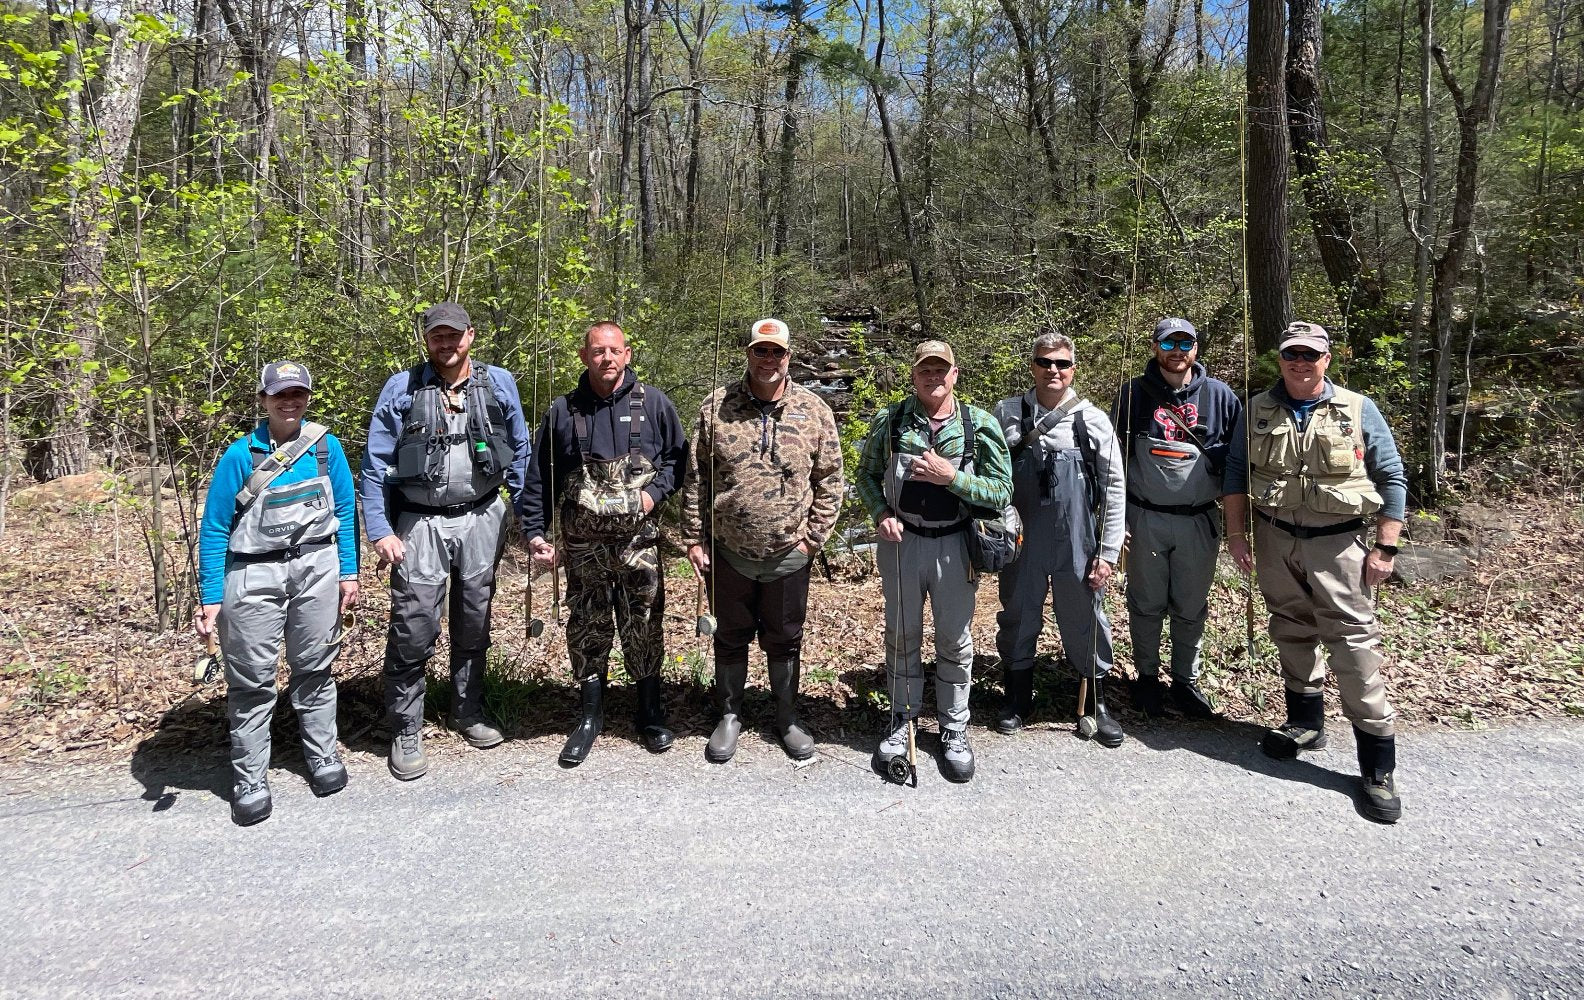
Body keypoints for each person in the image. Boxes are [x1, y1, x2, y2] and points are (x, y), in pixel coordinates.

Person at [1223, 321, 1408, 824]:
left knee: (1352, 643)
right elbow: (1235, 477)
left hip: (1340, 544)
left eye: (1310, 354)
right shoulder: (1256, 408)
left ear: (1327, 359)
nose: (1300, 363)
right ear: (1280, 359)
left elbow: (1392, 477)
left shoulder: (1357, 408)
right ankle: (1305, 724)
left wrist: (1385, 548)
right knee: (1290, 626)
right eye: (1291, 355)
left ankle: (1376, 766)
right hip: (1275, 537)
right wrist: (1237, 536)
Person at [361, 302, 530, 780]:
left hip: (482, 516)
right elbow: (374, 466)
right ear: (426, 339)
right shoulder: (401, 388)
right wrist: (379, 530)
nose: (446, 343)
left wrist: (529, 520)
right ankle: (406, 726)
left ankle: (467, 709)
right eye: (437, 335)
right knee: (414, 626)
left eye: (454, 335)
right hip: (419, 524)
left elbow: (519, 452)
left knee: (474, 619)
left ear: (470, 337)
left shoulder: (499, 384)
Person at [197, 361, 360, 825]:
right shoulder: (239, 456)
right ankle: (250, 778)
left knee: (315, 669)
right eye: (280, 395)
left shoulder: (327, 448)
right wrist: (211, 596)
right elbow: (214, 529)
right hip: (252, 576)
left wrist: (349, 572)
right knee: (252, 681)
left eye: (298, 394)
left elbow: (345, 512)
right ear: (264, 400)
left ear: (308, 397)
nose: (290, 402)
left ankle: (322, 756)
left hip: (316, 569)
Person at [519, 321, 689, 766]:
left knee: (645, 623)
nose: (606, 359)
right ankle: (589, 718)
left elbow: (678, 460)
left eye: (614, 351)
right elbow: (539, 477)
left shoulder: (653, 404)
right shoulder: (562, 410)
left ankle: (649, 712)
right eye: (597, 351)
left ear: (627, 354)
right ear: (584, 356)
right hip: (582, 549)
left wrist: (655, 494)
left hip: (639, 543)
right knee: (587, 626)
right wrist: (535, 532)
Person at [681, 318, 845, 763]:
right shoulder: (716, 406)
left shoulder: (814, 410)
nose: (768, 360)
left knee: (784, 637)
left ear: (788, 356)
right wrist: (693, 539)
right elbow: (695, 477)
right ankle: (729, 715)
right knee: (730, 637)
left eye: (777, 352)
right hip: (729, 552)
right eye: (761, 351)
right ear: (748, 353)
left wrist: (813, 540)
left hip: (790, 554)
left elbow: (830, 479)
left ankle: (787, 717)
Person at [854, 340, 1012, 783]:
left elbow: (1002, 491)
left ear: (955, 374)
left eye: (941, 369)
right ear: (914, 374)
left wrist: (953, 477)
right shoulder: (891, 420)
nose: (933, 377)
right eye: (925, 369)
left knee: (954, 640)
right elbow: (865, 475)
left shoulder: (978, 425)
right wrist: (881, 513)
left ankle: (954, 728)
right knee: (902, 635)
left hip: (955, 546)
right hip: (902, 544)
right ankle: (901, 720)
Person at [992, 332, 1128, 746]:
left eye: (1062, 364)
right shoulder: (1007, 413)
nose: (1054, 370)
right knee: (1017, 613)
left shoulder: (1093, 419)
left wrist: (1108, 553)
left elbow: (1115, 487)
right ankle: (1017, 697)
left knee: (1085, 615)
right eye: (1045, 362)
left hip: (1078, 540)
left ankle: (1094, 703)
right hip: (1022, 538)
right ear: (1032, 366)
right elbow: (989, 475)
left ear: (1073, 369)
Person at [1110, 317, 1243, 718]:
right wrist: (1117, 521)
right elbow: (1113, 461)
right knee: (1145, 603)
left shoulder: (1221, 396)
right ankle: (1146, 678)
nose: (1177, 352)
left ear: (1196, 349)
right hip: (1145, 518)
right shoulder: (1132, 393)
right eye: (1168, 345)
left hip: (1198, 520)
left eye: (1185, 344)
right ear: (1155, 348)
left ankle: (1186, 681)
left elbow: (1238, 466)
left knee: (1190, 605)